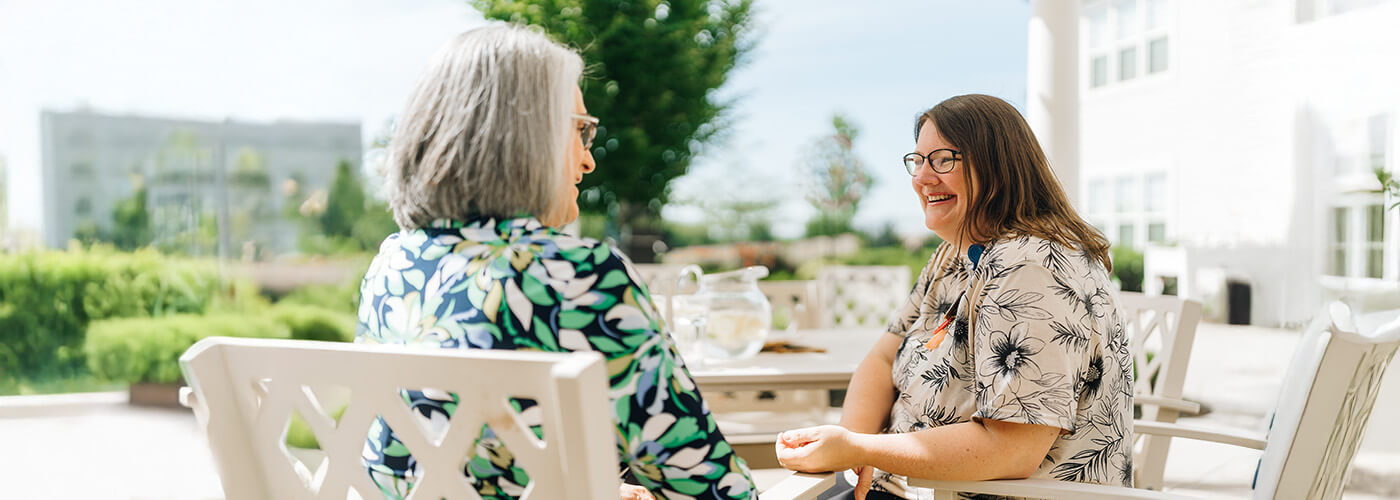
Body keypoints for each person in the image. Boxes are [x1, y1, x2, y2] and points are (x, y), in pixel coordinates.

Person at [356, 24, 756, 500]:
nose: (589, 161)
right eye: (580, 131)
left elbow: (448, 457)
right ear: (526, 136)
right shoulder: (581, 277)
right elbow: (713, 490)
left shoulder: (392, 266)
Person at [775, 94, 1134, 499]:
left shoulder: (1030, 269)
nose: (923, 178)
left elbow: (1011, 450)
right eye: (918, 160)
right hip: (898, 487)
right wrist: (850, 455)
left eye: (944, 159)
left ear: (999, 166)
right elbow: (881, 358)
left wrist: (860, 449)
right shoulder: (957, 253)